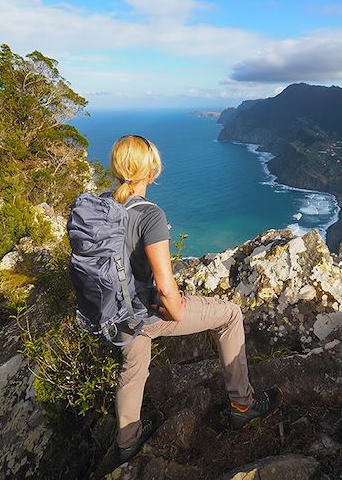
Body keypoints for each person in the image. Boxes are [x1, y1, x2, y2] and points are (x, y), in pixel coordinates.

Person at [108, 134, 280, 463]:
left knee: (133, 367)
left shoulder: (102, 207)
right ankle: (242, 405)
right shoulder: (150, 215)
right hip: (144, 314)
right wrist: (174, 311)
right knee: (229, 314)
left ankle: (127, 442)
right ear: (151, 170)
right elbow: (166, 287)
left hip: (112, 315)